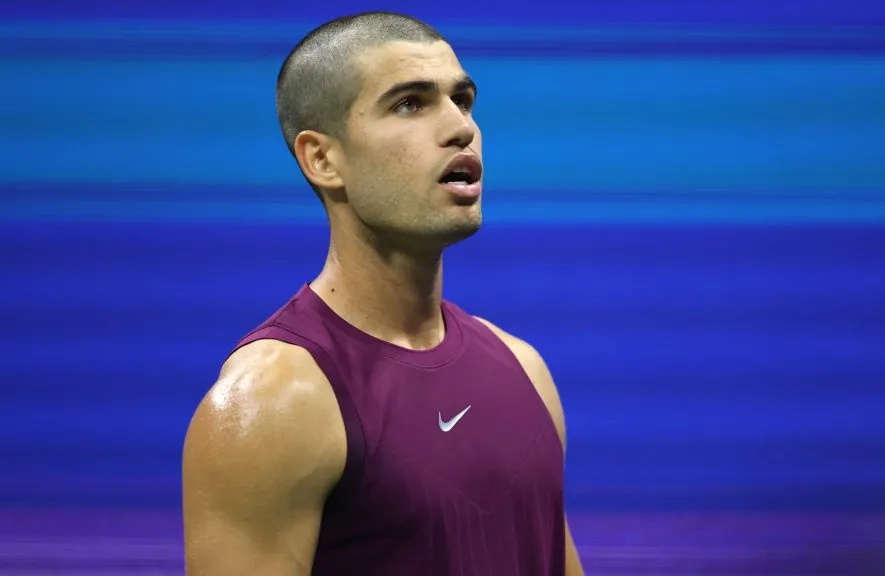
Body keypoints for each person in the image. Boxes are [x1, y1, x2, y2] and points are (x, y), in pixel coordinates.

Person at [181, 11, 586, 576]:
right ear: (322, 159)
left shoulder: (524, 370)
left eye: (462, 99)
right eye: (410, 104)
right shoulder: (272, 403)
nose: (460, 127)